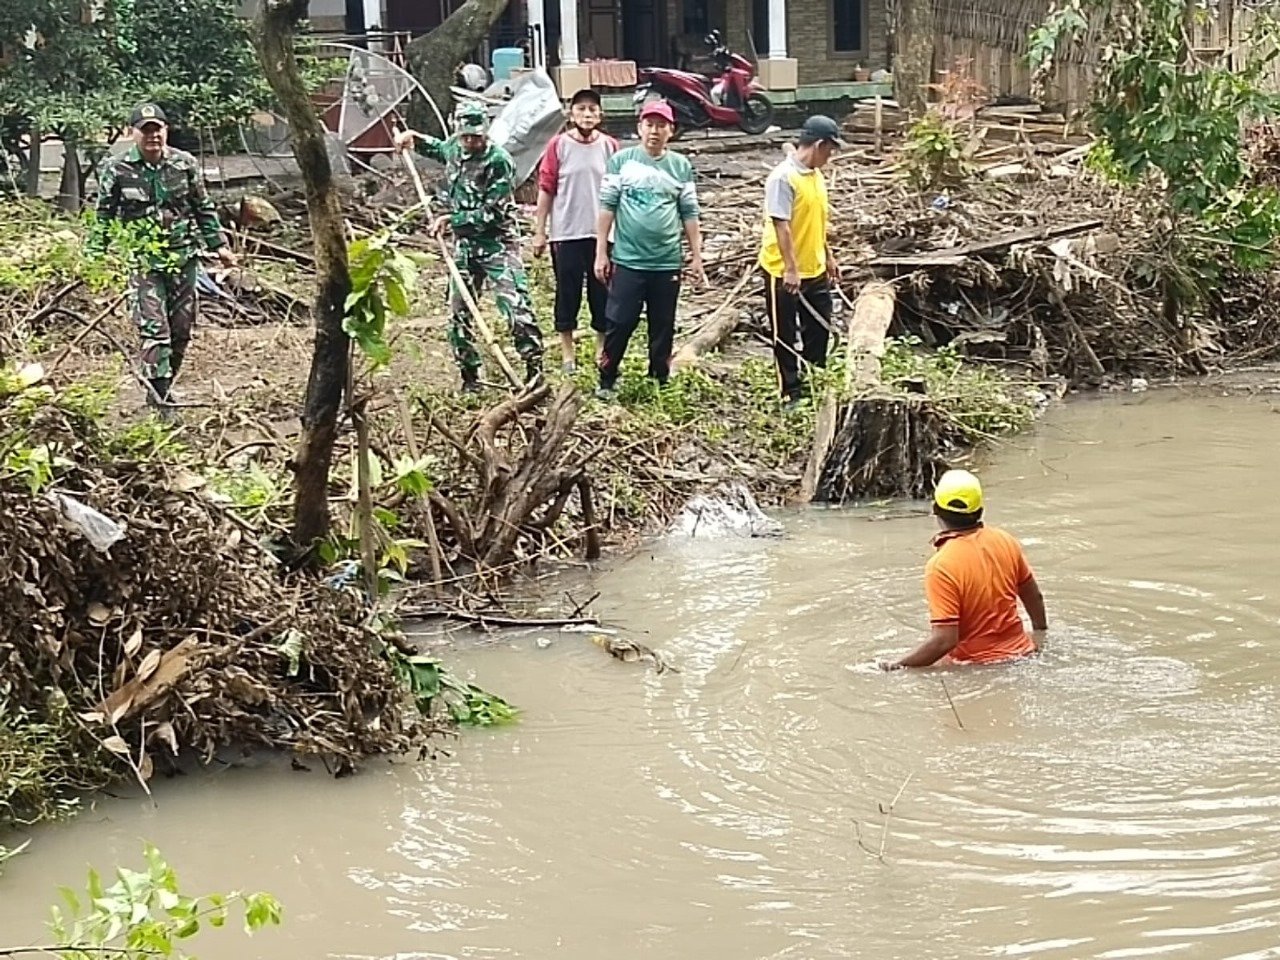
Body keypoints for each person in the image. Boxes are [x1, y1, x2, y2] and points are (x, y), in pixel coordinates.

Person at [91, 103, 236, 417]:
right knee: (155, 329)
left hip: (183, 259)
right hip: (145, 261)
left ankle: (164, 383)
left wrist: (220, 246)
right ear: (133, 134)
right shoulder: (117, 168)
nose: (152, 136)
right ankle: (160, 398)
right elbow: (103, 216)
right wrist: (94, 256)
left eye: (157, 129)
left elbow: (203, 207)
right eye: (145, 130)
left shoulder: (184, 165)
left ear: (166, 131)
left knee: (181, 330)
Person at [395, 102, 544, 391]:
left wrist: (452, 219)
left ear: (485, 133)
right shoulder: (454, 147)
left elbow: (494, 213)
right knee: (458, 313)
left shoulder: (498, 161)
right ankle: (470, 378)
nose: (471, 142)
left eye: (476, 136)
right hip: (465, 247)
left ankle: (534, 371)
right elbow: (438, 149)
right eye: (466, 136)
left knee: (516, 308)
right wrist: (413, 138)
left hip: (498, 244)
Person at [595, 99, 707, 400]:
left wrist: (696, 256)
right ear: (639, 128)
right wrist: (601, 252)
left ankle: (659, 378)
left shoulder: (680, 166)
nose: (654, 131)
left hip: (666, 262)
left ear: (671, 130)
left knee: (663, 324)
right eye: (649, 124)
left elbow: (689, 212)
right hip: (628, 259)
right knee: (619, 321)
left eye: (661, 125)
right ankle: (607, 377)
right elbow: (607, 207)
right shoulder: (621, 161)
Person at [881, 469, 1048, 670]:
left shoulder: (941, 566)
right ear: (980, 511)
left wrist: (897, 665)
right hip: (1023, 656)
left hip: (976, 669)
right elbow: (1034, 597)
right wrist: (1041, 636)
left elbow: (944, 640)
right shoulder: (1006, 541)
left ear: (935, 510)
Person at [758, 115, 844, 411]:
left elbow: (816, 222)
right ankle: (790, 391)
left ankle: (814, 377)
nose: (830, 157)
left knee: (819, 328)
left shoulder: (815, 175)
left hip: (815, 267)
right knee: (784, 332)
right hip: (782, 271)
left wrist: (828, 255)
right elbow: (782, 226)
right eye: (830, 150)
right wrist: (790, 270)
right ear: (819, 145)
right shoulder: (782, 179)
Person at [532, 87, 618, 375]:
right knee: (567, 293)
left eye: (592, 109)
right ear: (571, 113)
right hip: (566, 232)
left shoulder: (610, 146)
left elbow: (619, 191)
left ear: (600, 114)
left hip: (602, 236)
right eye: (581, 108)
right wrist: (539, 231)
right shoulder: (558, 146)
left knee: (602, 292)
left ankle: (600, 348)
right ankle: (568, 352)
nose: (587, 114)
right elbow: (546, 189)